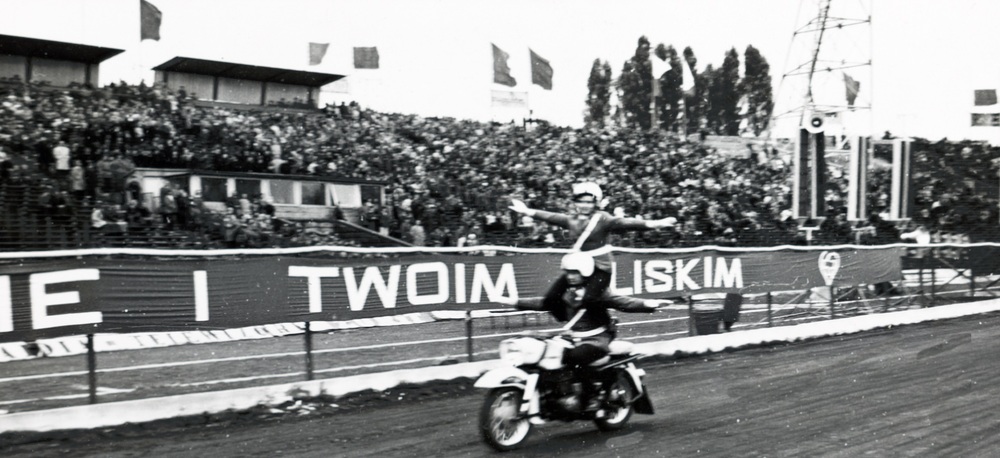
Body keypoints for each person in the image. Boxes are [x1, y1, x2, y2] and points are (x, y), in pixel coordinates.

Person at [497, 252, 666, 413]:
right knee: (544, 355)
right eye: (568, 272)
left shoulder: (598, 292)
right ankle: (556, 395)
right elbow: (544, 303)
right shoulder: (566, 292)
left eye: (575, 272)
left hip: (597, 339)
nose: (570, 276)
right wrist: (515, 302)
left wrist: (649, 304)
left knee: (575, 357)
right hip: (573, 337)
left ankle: (589, 396)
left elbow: (623, 302)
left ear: (584, 272)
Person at [508, 182, 676, 306]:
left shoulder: (603, 218)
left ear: (595, 203)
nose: (585, 205)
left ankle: (605, 326)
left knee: (590, 299)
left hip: (601, 267)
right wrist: (526, 211)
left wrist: (656, 224)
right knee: (553, 298)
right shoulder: (571, 219)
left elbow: (627, 223)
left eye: (589, 202)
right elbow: (550, 216)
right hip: (578, 266)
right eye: (581, 202)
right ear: (576, 202)